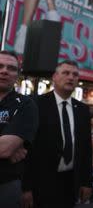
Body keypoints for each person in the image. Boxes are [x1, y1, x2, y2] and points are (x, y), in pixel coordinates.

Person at [22, 60, 93, 208]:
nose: (71, 77)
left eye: (75, 74)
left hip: (70, 182)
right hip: (40, 184)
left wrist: (86, 182)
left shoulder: (82, 110)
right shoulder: (36, 104)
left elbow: (86, 149)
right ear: (54, 77)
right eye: (66, 73)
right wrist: (25, 187)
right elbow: (26, 148)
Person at [0, 51, 38, 208]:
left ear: (17, 75)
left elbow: (5, 149)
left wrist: (7, 147)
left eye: (11, 68)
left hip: (4, 185)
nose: (4, 71)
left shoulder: (26, 105)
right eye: (0, 66)